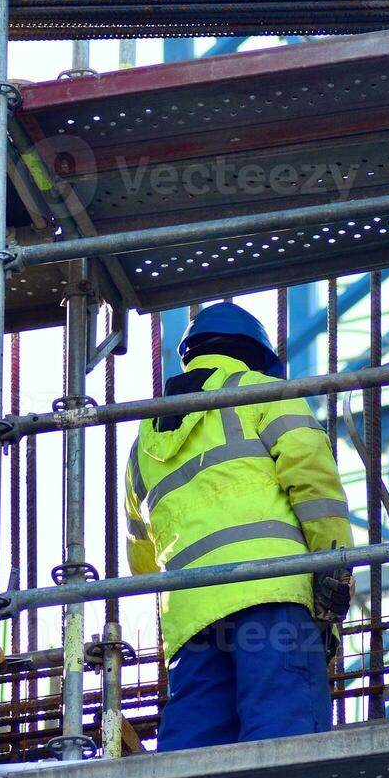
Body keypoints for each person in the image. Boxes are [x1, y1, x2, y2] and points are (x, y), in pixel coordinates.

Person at [124, 302, 355, 750]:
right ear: (255, 352)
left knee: (194, 750)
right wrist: (336, 561)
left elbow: (141, 553)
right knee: (283, 732)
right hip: (271, 593)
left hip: (192, 616)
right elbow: (313, 481)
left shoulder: (142, 441)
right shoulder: (264, 392)